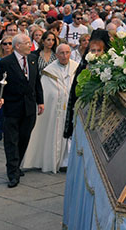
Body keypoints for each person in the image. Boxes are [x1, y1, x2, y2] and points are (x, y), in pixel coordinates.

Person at [0, 33, 44, 188]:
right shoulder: (5, 63)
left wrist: (40, 101)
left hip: (29, 107)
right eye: (27, 43)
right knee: (11, 141)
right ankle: (12, 172)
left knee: (24, 138)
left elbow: (36, 82)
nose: (30, 45)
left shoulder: (33, 59)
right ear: (17, 46)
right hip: (12, 107)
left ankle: (17, 164)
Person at [21, 43, 77, 173]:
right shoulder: (49, 71)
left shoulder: (76, 67)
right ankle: (53, 161)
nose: (64, 56)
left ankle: (68, 162)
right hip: (56, 110)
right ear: (56, 55)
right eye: (61, 53)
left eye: (67, 52)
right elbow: (47, 92)